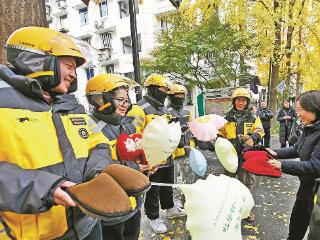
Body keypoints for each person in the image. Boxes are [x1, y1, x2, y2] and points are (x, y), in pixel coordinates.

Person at [0, 27, 112, 239]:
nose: (73, 74)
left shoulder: (72, 105)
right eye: (69, 66)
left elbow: (98, 141)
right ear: (37, 60)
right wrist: (44, 188)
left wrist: (98, 172)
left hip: (86, 224)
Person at [85, 73, 148, 240]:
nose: (125, 104)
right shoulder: (90, 127)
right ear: (101, 100)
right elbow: (95, 170)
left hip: (134, 202)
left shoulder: (128, 124)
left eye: (126, 100)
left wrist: (148, 164)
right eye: (120, 100)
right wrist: (135, 169)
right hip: (110, 209)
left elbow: (136, 155)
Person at [128, 74, 186, 233]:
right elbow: (135, 136)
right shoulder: (138, 108)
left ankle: (169, 208)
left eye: (168, 90)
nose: (166, 93)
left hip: (167, 156)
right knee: (153, 189)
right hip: (151, 159)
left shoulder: (163, 109)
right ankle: (153, 218)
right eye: (163, 89)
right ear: (152, 89)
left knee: (167, 186)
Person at [268, 90, 320, 240]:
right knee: (296, 227)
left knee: (315, 234)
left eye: (300, 110)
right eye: (296, 110)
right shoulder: (309, 127)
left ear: (314, 108)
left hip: (317, 194)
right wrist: (274, 152)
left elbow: (315, 166)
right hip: (305, 188)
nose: (298, 114)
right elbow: (296, 149)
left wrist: (281, 165)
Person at [219, 87, 264, 222]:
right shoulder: (226, 117)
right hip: (230, 156)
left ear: (247, 102)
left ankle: (247, 210)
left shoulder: (253, 117)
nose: (241, 103)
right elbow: (220, 133)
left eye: (244, 100)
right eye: (239, 100)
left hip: (246, 156)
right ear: (234, 101)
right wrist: (216, 140)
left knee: (246, 184)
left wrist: (253, 138)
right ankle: (229, 209)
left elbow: (260, 131)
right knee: (229, 183)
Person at [167, 84, 195, 184]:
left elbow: (192, 130)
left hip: (188, 151)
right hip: (173, 153)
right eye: (177, 95)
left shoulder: (187, 112)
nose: (180, 97)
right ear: (170, 96)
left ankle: (188, 198)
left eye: (182, 95)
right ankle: (177, 199)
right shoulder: (166, 112)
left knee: (190, 179)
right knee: (176, 182)